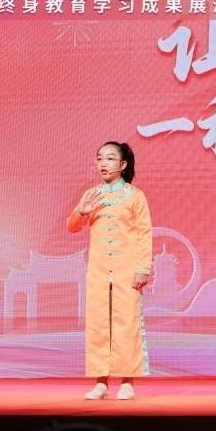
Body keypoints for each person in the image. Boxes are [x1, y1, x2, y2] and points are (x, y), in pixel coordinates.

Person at [67, 141, 152, 400]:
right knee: (99, 325)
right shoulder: (92, 195)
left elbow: (144, 234)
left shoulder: (135, 196)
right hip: (99, 271)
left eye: (110, 158)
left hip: (127, 271)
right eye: (100, 158)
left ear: (123, 165)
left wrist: (143, 268)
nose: (103, 163)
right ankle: (101, 382)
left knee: (127, 324)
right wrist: (81, 211)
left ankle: (127, 381)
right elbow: (72, 227)